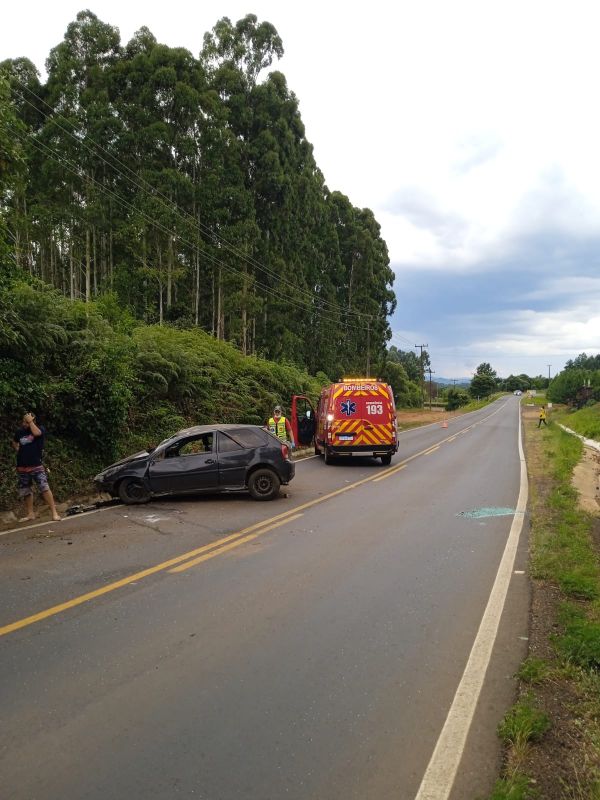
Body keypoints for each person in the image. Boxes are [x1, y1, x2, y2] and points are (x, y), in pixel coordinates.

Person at [11, 412, 61, 522]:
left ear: (33, 421)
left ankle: (54, 513)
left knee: (44, 487)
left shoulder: (40, 429)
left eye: (26, 421)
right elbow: (14, 442)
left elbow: (37, 433)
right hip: (22, 466)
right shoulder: (20, 432)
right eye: (24, 421)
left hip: (36, 465)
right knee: (26, 490)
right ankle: (30, 514)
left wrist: (30, 422)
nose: (24, 423)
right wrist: (18, 449)